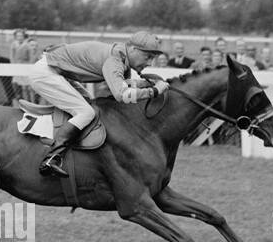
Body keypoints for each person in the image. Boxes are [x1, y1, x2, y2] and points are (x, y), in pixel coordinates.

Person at [25, 31, 170, 177]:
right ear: (133, 49)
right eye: (148, 56)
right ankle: (51, 159)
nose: (150, 63)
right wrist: (154, 91)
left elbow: (121, 85)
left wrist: (144, 84)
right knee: (86, 113)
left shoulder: (120, 57)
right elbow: (122, 95)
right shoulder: (115, 60)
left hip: (56, 71)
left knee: (90, 104)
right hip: (46, 73)